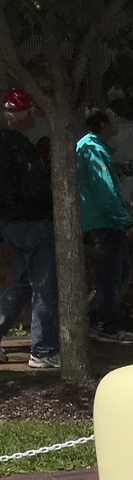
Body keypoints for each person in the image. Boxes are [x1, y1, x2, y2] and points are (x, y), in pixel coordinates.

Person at [0, 87, 60, 369]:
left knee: (23, 282)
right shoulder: (21, 148)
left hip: (11, 224)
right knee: (44, 286)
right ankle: (44, 350)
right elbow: (33, 189)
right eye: (32, 111)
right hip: (33, 223)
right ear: (21, 116)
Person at [76, 107, 133, 344]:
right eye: (113, 119)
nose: (118, 122)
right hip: (104, 223)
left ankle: (92, 320)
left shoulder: (91, 147)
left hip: (101, 221)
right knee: (111, 277)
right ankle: (108, 327)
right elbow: (106, 190)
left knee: (116, 274)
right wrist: (125, 222)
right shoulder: (93, 149)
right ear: (103, 124)